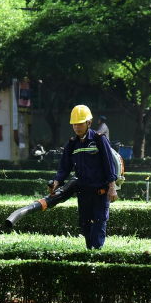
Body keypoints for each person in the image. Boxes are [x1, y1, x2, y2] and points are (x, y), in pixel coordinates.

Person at [48, 105, 118, 250]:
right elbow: (64, 169)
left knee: (99, 224)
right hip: (83, 193)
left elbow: (109, 165)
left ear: (89, 123)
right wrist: (55, 183)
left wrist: (112, 188)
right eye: (74, 124)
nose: (77, 127)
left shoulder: (99, 140)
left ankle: (96, 255)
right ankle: (89, 252)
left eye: (80, 123)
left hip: (100, 192)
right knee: (85, 225)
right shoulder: (72, 144)